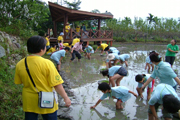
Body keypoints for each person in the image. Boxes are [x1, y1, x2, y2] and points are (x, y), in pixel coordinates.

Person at [14, 36, 71, 120]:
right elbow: (57, 84)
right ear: (42, 49)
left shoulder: (20, 64)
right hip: (47, 99)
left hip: (29, 101)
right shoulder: (47, 63)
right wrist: (66, 98)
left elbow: (19, 81)